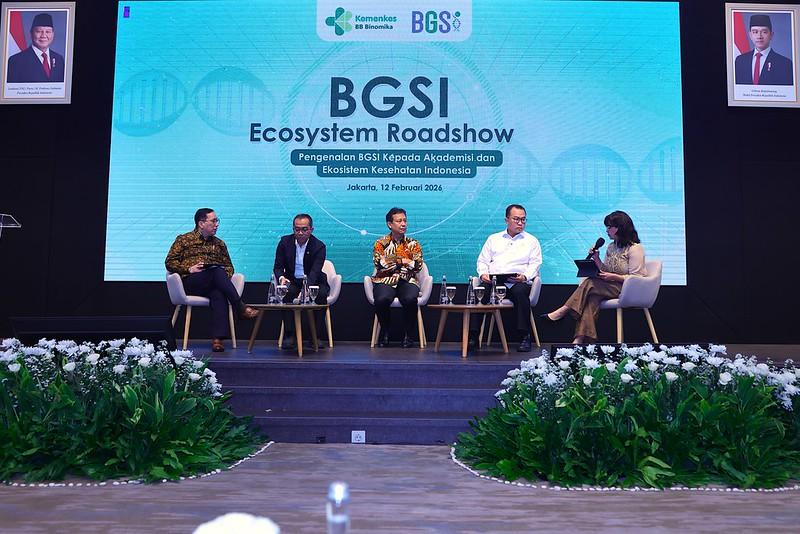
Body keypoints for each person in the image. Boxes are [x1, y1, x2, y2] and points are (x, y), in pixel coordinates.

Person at [543, 210, 647, 344]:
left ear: (619, 228)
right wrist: (596, 259)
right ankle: (579, 340)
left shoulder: (635, 248)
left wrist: (614, 277)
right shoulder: (611, 247)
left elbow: (636, 277)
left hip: (628, 289)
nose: (606, 230)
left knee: (590, 282)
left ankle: (564, 310)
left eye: (609, 227)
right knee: (592, 298)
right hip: (610, 287)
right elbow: (606, 270)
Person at [165, 208, 258, 352]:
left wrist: (222, 277)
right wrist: (188, 269)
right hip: (190, 282)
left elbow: (229, 267)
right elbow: (169, 262)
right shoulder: (184, 240)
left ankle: (217, 340)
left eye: (217, 221)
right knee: (216, 271)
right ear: (201, 223)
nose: (217, 224)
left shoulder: (219, 244)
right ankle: (239, 307)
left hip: (212, 282)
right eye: (213, 221)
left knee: (218, 292)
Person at [468, 204, 542, 353]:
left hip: (517, 282)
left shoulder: (531, 241)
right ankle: (473, 336)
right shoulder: (493, 239)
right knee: (479, 292)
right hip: (493, 282)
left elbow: (536, 263)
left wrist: (525, 276)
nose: (520, 223)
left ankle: (524, 336)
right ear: (506, 220)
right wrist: (483, 274)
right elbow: (482, 261)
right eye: (516, 219)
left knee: (520, 292)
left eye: (523, 220)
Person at [272, 213, 329, 350]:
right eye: (297, 229)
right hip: (292, 280)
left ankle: (315, 336)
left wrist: (305, 289)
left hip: (314, 281)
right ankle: (289, 335)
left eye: (304, 229)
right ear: (293, 229)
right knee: (286, 293)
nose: (300, 233)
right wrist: (281, 278)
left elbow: (315, 272)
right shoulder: (284, 242)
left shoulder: (319, 246)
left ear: (311, 230)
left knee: (320, 295)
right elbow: (278, 267)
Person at [371, 207, 424, 348]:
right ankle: (385, 331)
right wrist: (405, 260)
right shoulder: (380, 243)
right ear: (390, 224)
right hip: (385, 279)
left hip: (407, 279)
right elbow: (380, 264)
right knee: (382, 299)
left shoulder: (413, 243)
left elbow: (418, 265)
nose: (403, 224)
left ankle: (408, 335)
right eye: (399, 221)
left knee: (410, 299)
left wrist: (392, 260)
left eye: (405, 220)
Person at [734, 14, 794, 86]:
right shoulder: (740, 61)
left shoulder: (785, 64)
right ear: (750, 35)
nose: (759, 36)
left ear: (771, 35)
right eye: (755, 32)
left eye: (764, 32)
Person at [6, 13, 66, 83]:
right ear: (31, 33)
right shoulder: (16, 61)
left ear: (53, 34)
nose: (43, 36)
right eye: (39, 31)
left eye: (48, 32)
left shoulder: (59, 59)